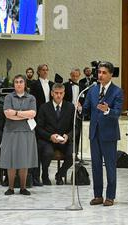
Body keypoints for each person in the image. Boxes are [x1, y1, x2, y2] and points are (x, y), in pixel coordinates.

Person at [79, 61, 123, 207]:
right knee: (96, 165)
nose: (100, 75)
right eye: (99, 72)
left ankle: (110, 196)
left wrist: (108, 110)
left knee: (110, 166)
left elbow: (117, 113)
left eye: (104, 73)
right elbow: (86, 109)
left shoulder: (117, 91)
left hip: (109, 134)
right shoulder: (92, 90)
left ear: (111, 74)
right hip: (94, 133)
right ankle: (98, 195)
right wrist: (80, 109)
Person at [0, 74, 38, 195]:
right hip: (11, 132)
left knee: (24, 159)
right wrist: (23, 115)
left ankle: (23, 187)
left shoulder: (31, 98)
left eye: (21, 81)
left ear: (25, 83)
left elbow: (32, 114)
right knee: (11, 160)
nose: (19, 84)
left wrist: (16, 113)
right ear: (14, 84)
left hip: (26, 132)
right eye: (16, 82)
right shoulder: (8, 97)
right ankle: (11, 187)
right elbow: (7, 114)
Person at [36, 83, 74, 185]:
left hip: (64, 140)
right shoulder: (44, 107)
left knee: (72, 155)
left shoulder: (70, 107)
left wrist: (68, 136)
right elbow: (38, 128)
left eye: (61, 93)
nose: (58, 95)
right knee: (47, 153)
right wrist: (50, 136)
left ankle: (60, 174)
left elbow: (75, 127)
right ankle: (44, 175)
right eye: (56, 93)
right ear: (52, 93)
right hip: (48, 139)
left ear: (64, 94)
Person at [29, 64, 54, 186]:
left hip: (50, 115)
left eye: (46, 70)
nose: (45, 72)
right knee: (37, 147)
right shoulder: (34, 84)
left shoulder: (51, 84)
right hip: (38, 115)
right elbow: (33, 100)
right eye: (42, 70)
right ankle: (35, 176)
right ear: (38, 72)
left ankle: (45, 175)